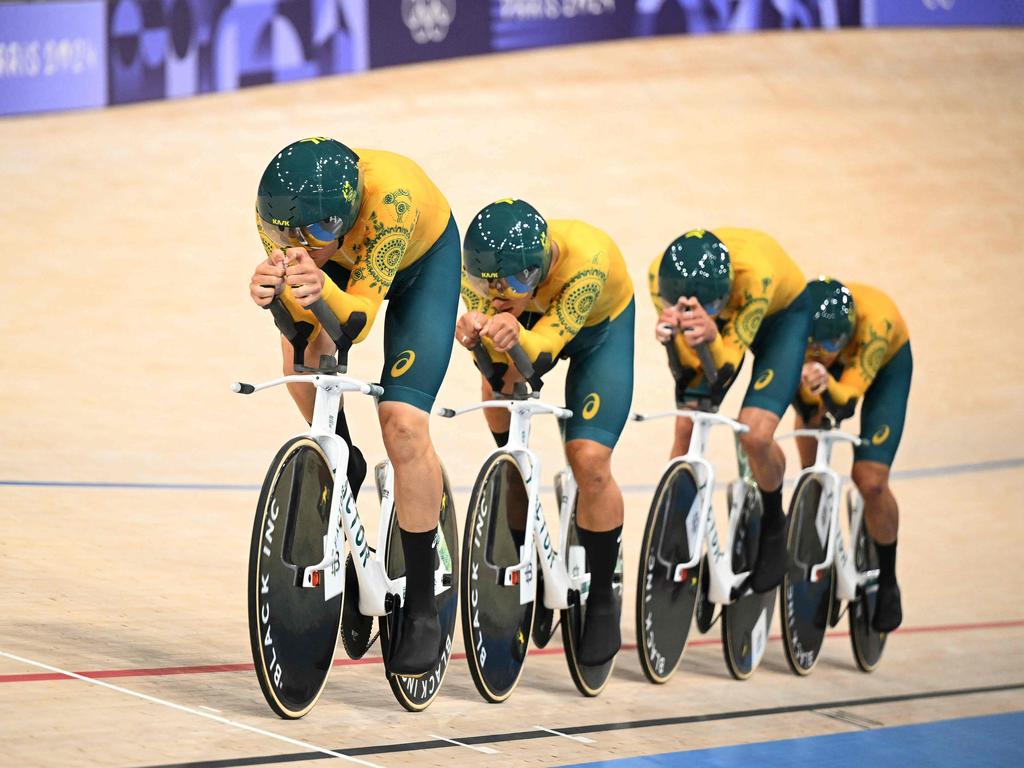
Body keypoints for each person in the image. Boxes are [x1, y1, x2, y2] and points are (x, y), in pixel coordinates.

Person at [248, 137, 460, 676]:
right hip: (345, 266)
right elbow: (303, 330)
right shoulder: (276, 213)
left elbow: (358, 322)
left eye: (316, 234)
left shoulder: (389, 201)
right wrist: (277, 299)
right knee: (300, 365)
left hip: (419, 267)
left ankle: (419, 599)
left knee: (403, 424)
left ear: (342, 218)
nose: (299, 244)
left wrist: (317, 289)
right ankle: (347, 461)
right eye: (284, 235)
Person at [456, 199, 635, 666]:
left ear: (539, 267)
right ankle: (522, 541)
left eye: (514, 283)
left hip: (598, 333)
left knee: (589, 461)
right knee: (500, 396)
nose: (497, 292)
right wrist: (476, 332)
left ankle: (600, 595)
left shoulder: (586, 260)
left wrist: (510, 327)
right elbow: (500, 363)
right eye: (485, 286)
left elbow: (545, 351)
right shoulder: (482, 270)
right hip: (530, 323)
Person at [649, 228, 810, 593]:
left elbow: (725, 365)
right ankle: (675, 531)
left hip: (780, 318)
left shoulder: (754, 277)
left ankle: (773, 524)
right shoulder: (657, 276)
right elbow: (693, 371)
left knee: (753, 433)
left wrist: (711, 332)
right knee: (687, 423)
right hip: (725, 313)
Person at [794, 277, 912, 632]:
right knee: (810, 416)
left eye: (832, 345)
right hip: (830, 366)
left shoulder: (876, 324)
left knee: (870, 481)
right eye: (819, 345)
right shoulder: (802, 321)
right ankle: (812, 496)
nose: (827, 353)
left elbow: (845, 402)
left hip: (883, 368)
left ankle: (888, 578)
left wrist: (827, 382)